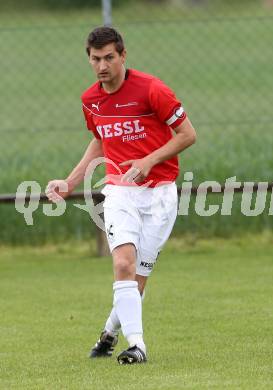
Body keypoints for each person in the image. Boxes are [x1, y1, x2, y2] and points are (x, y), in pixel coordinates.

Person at [45, 26, 196, 365]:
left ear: (123, 56)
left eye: (109, 58)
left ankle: (108, 335)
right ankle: (138, 346)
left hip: (160, 195)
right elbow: (99, 140)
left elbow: (188, 134)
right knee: (123, 264)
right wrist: (71, 182)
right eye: (96, 59)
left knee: (137, 281)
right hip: (119, 192)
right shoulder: (90, 100)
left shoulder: (152, 89)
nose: (102, 66)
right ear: (89, 59)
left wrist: (149, 160)